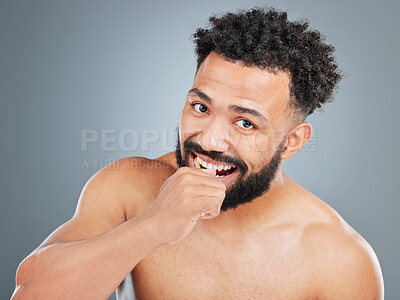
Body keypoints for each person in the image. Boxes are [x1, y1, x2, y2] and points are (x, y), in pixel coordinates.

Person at [12, 6, 384, 299]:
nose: (209, 141)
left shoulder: (339, 258)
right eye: (201, 108)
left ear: (292, 141)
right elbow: (29, 295)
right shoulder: (129, 187)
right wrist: (152, 226)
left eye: (245, 123)